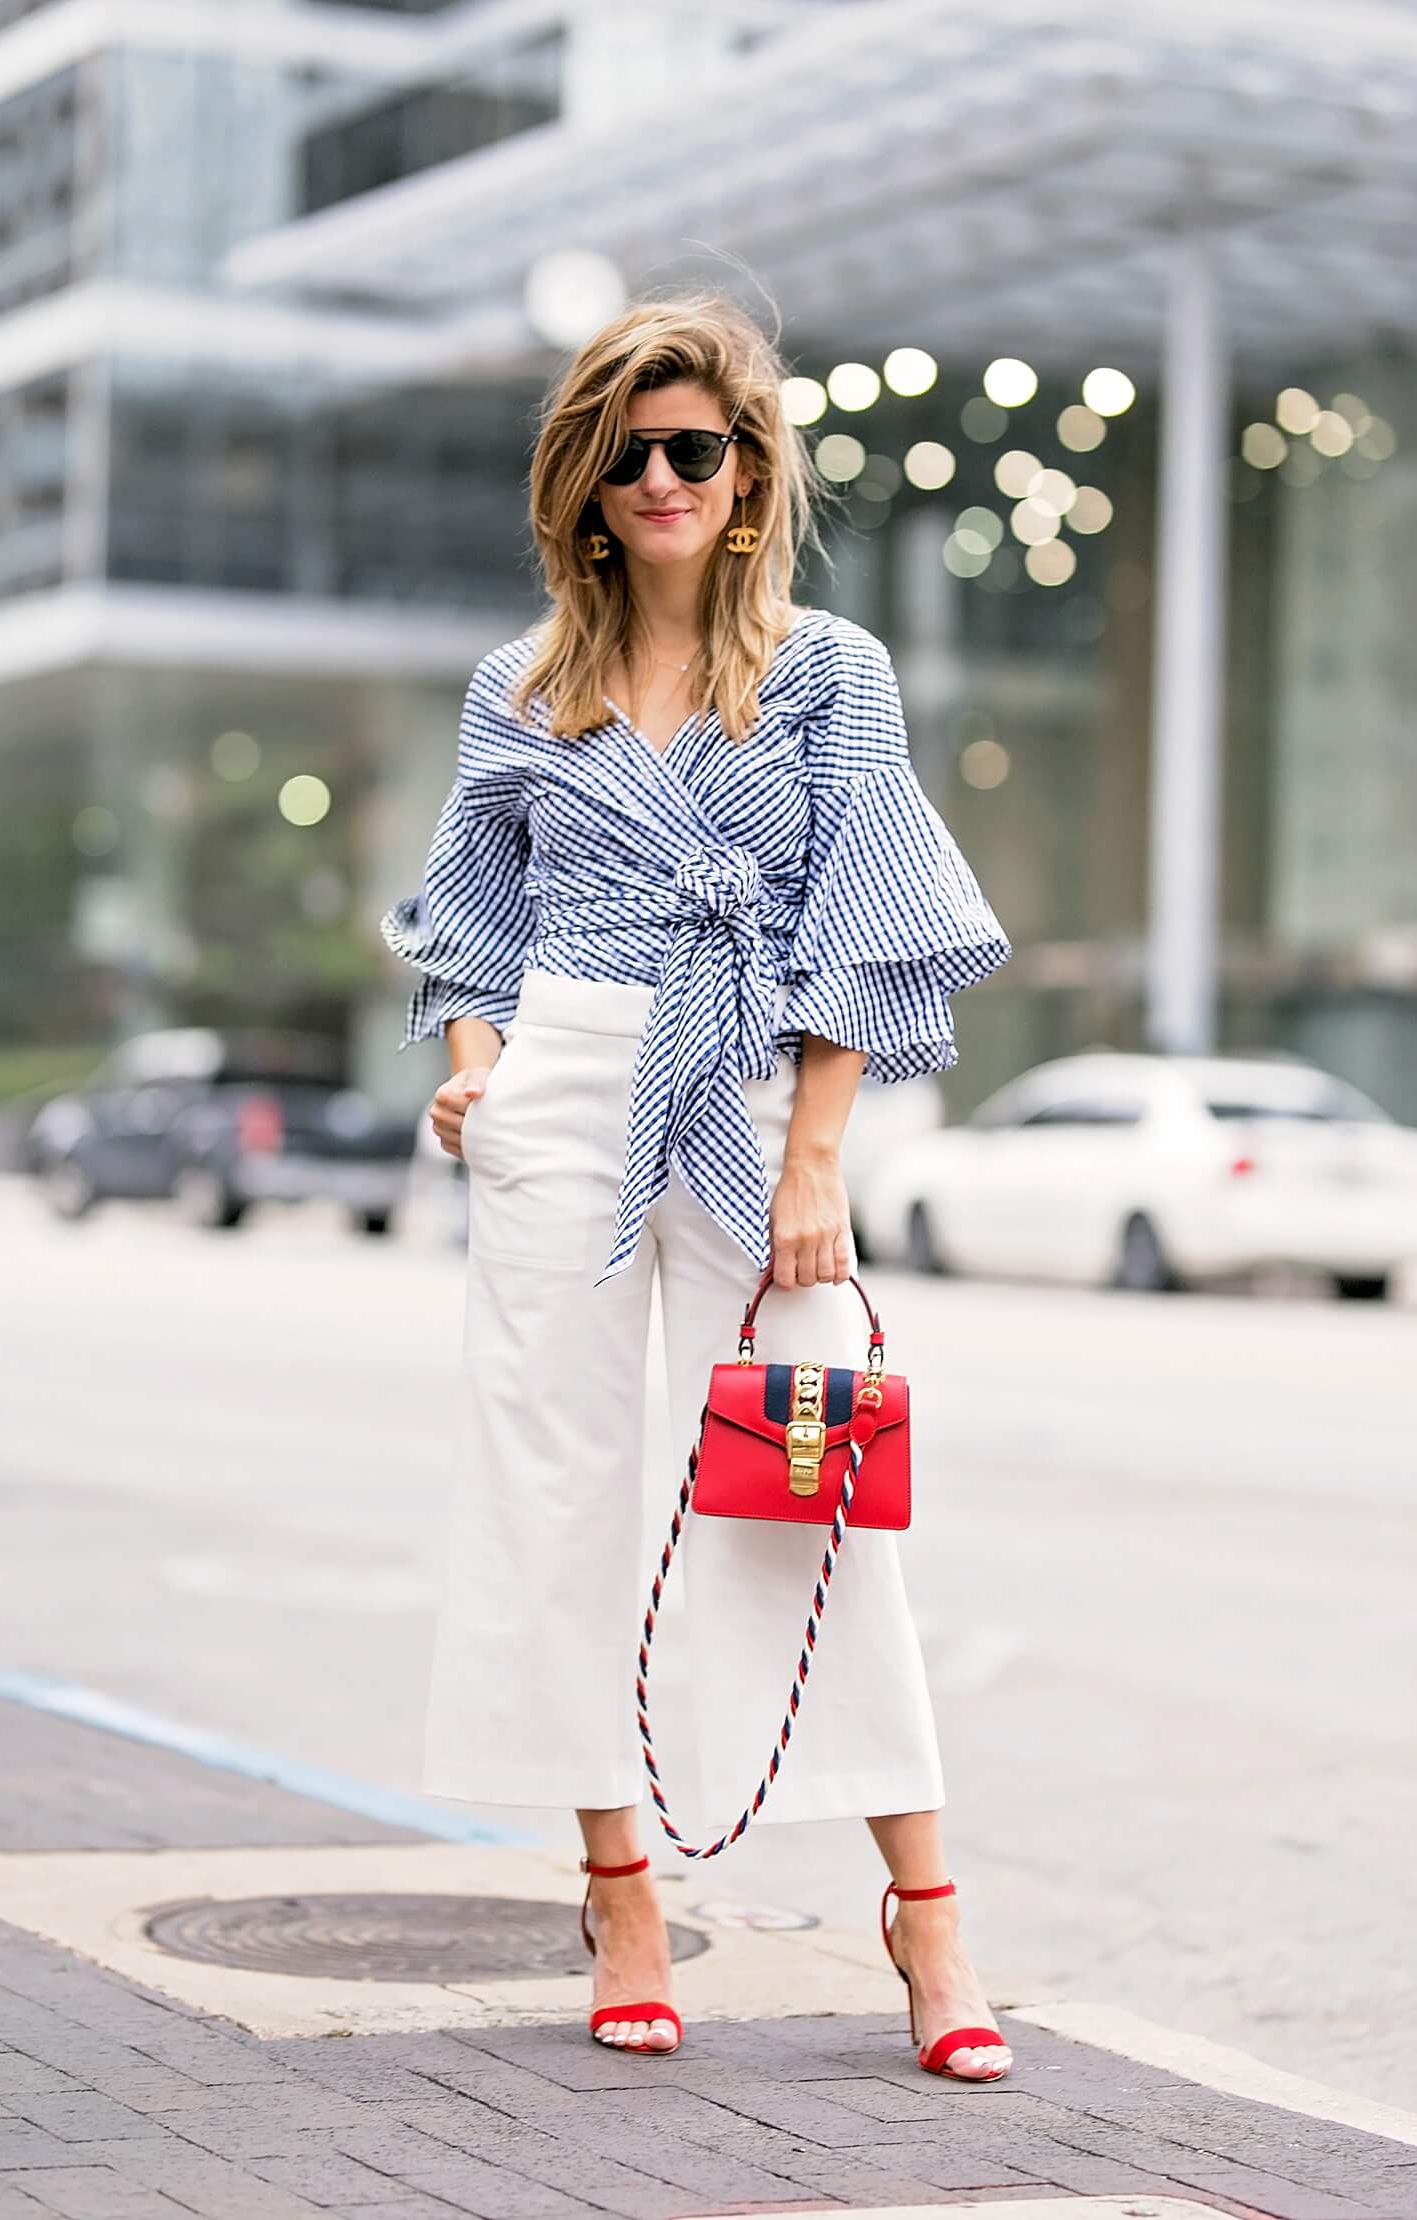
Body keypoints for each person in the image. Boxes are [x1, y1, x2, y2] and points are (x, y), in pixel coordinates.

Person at [382, 292, 1014, 2077]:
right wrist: (476, 1079)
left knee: (809, 1489)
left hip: (746, 1091)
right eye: (629, 451)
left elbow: (869, 919)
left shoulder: (829, 671)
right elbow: (465, 926)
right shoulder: (518, 686)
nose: (663, 477)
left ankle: (929, 1911)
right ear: (585, 484)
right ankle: (620, 1891)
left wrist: (822, 1156)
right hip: (564, 1096)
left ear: (748, 479)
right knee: (557, 1492)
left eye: (698, 449)